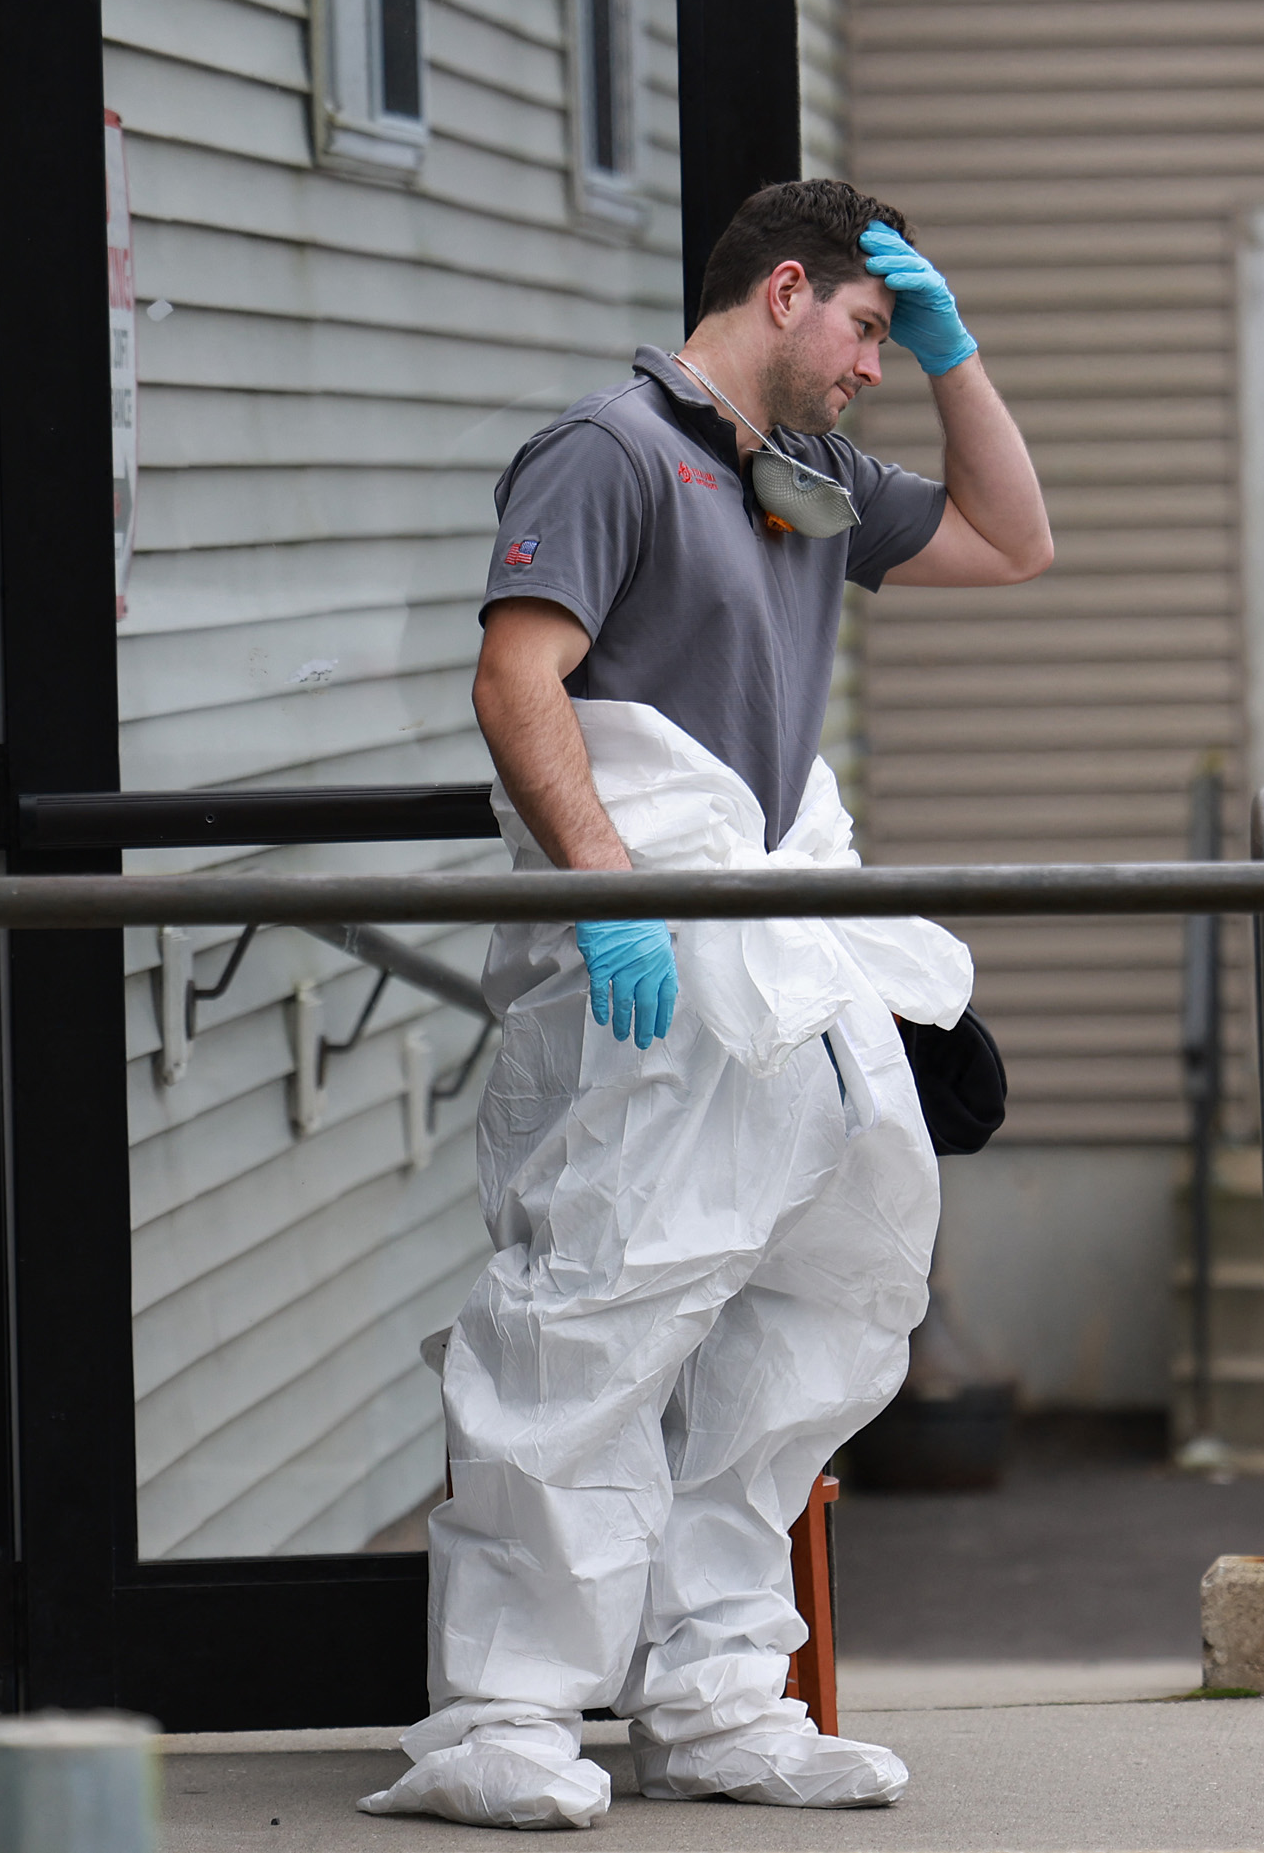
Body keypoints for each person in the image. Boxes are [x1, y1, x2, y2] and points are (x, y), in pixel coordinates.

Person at [362, 180, 1052, 1830]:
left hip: (779, 966)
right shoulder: (612, 449)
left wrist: (961, 354)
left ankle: (723, 1689)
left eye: (901, 343)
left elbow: (1013, 539)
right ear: (786, 289)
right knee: (595, 1316)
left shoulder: (794, 478)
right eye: (874, 333)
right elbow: (518, 677)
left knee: (802, 1331)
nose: (876, 368)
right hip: (654, 964)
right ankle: (507, 1709)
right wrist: (611, 900)